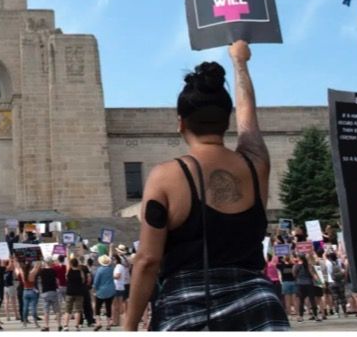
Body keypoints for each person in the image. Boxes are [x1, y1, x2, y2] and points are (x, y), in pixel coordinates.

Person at [123, 42, 288, 331]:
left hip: (189, 309)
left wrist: (129, 326)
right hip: (259, 309)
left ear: (180, 123)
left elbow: (148, 260)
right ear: (227, 121)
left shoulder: (165, 177)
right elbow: (249, 118)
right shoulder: (255, 163)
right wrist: (240, 63)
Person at [91, 254, 116, 330]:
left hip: (101, 291)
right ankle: (108, 324)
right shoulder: (111, 269)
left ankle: (98, 322)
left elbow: (96, 281)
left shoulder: (99, 270)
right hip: (111, 290)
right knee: (108, 307)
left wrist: (94, 288)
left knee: (97, 307)